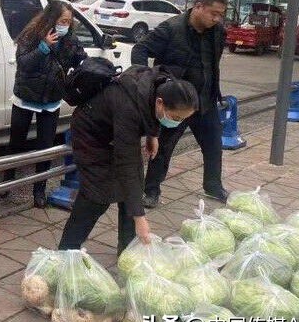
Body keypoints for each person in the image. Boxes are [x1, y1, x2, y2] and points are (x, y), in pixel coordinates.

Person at [58, 68, 199, 255]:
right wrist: (140, 218)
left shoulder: (161, 83)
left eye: (183, 119)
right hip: (90, 136)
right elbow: (127, 162)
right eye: (176, 118)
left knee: (133, 185)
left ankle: (127, 249)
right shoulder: (128, 107)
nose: (177, 123)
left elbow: (149, 112)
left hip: (115, 132)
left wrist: (152, 134)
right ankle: (66, 251)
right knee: (97, 193)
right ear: (160, 103)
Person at [131, 0, 230, 208]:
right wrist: (149, 81)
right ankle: (151, 191)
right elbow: (140, 49)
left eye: (220, 15)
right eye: (213, 13)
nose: (217, 19)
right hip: (176, 102)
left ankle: (213, 185)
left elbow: (213, 65)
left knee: (214, 145)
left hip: (205, 101)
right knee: (163, 147)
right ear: (198, 6)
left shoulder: (218, 32)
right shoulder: (171, 29)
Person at [3, 0, 87, 208]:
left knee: (46, 146)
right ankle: (6, 182)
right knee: (16, 143)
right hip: (25, 97)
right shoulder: (31, 35)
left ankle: (39, 191)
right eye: (61, 21)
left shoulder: (71, 40)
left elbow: (80, 61)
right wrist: (44, 47)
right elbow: (24, 64)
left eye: (68, 22)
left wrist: (87, 67)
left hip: (51, 100)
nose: (65, 25)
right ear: (51, 19)